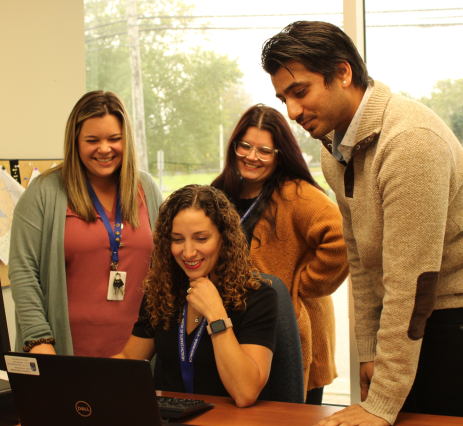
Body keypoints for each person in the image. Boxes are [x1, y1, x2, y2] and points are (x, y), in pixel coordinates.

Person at [262, 20, 463, 425]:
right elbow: (362, 259)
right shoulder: (334, 148)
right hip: (409, 318)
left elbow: (413, 282)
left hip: (449, 318)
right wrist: (369, 350)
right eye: (283, 98)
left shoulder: (410, 142)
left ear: (343, 73)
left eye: (300, 92)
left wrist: (383, 402)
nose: (292, 111)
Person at [211, 104, 349, 404]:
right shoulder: (220, 192)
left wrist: (298, 288)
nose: (251, 156)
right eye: (245, 146)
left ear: (279, 155)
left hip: (293, 336)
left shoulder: (295, 193)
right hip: (239, 333)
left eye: (264, 150)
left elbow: (342, 237)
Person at [9, 91, 163, 358]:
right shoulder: (45, 191)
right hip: (64, 352)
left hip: (138, 353)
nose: (104, 149)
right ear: (75, 141)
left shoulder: (146, 188)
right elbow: (23, 271)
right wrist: (37, 340)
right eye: (92, 140)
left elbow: (165, 265)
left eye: (115, 139)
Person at [116, 185, 278, 407]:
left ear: (224, 238)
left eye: (201, 239)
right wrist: (86, 379)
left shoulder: (258, 297)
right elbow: (128, 360)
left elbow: (245, 392)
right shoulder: (163, 290)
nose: (189, 252)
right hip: (170, 420)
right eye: (178, 239)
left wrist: (215, 313)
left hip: (228, 422)